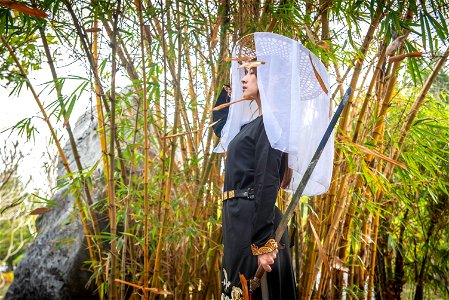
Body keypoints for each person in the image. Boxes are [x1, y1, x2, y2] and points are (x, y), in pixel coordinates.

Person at [213, 32, 333, 300]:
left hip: (253, 222)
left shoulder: (271, 127)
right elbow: (220, 124)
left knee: (247, 292)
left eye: (250, 73)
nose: (243, 78)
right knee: (234, 290)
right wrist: (231, 85)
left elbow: (266, 182)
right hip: (237, 219)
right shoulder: (249, 126)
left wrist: (264, 242)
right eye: (242, 73)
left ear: (269, 79)